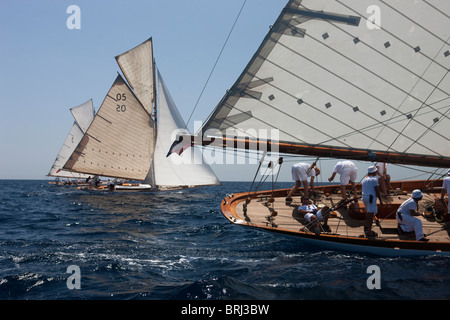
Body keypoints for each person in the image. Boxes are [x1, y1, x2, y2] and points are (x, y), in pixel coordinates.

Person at [361, 165, 383, 237]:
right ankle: (369, 231)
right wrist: (380, 200)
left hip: (364, 197)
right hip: (371, 198)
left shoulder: (364, 179)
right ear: (374, 172)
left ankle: (366, 226)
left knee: (368, 213)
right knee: (371, 214)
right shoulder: (374, 179)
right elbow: (377, 191)